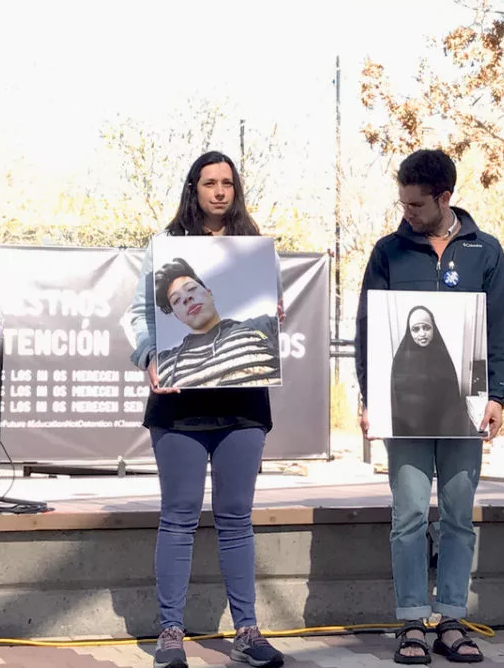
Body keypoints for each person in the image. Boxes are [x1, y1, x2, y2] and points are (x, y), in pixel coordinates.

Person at [121, 151, 284, 668]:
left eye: (227, 184)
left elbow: (270, 316)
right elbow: (139, 313)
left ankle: (247, 632)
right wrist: (150, 354)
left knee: (237, 519)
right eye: (209, 183)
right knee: (178, 518)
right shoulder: (164, 246)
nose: (219, 192)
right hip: (178, 408)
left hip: (243, 406)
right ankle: (171, 635)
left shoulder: (253, 248)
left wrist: (277, 311)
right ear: (193, 188)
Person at [355, 149, 504, 664]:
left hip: (464, 411)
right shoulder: (387, 252)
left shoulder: (484, 252)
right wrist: (370, 398)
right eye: (402, 202)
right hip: (403, 412)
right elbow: (368, 333)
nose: (407, 212)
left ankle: (449, 617)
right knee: (407, 516)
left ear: (445, 198)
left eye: (417, 204)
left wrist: (497, 394)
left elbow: (501, 330)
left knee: (457, 517)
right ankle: (410, 622)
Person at [153, 256, 281, 388]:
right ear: (177, 316)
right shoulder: (164, 363)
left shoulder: (264, 326)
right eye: (176, 300)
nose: (186, 298)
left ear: (210, 293)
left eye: (191, 289)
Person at [390, 305, 475, 438]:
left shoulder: (443, 358)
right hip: (410, 434)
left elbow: (451, 402)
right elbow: (396, 404)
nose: (422, 333)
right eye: (416, 329)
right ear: (409, 332)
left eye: (426, 327)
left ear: (433, 329)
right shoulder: (400, 361)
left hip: (440, 431)